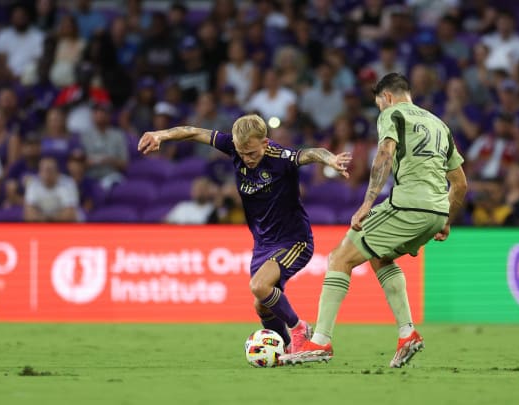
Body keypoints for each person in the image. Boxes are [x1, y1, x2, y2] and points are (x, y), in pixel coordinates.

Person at [279, 73, 467, 368]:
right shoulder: (439, 125)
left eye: (379, 104)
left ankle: (320, 342)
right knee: (380, 257)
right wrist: (445, 219)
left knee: (340, 258)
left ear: (388, 97)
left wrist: (367, 203)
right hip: (436, 211)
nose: (380, 109)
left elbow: (384, 155)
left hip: (407, 205)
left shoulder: (392, 114)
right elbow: (461, 183)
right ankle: (407, 334)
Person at [137, 114, 352, 353]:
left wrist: (330, 159)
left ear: (265, 143)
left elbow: (311, 153)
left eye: (252, 153)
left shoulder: (280, 157)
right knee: (263, 306)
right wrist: (160, 135)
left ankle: (299, 328)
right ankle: (288, 348)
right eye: (241, 153)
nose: (247, 159)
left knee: (259, 286)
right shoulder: (234, 147)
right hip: (263, 243)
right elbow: (195, 132)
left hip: (294, 241)